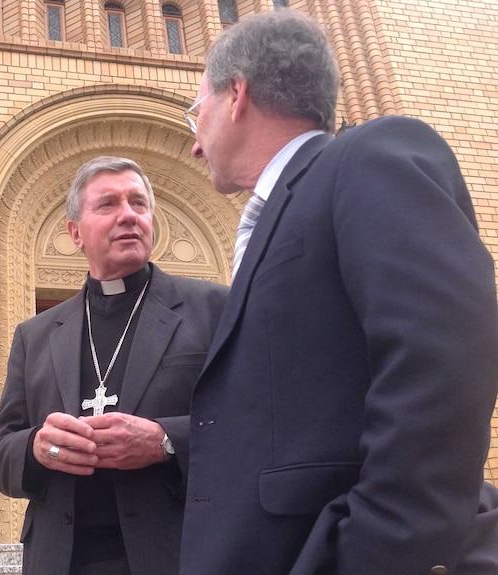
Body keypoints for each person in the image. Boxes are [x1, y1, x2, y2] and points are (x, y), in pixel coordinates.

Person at [180, 9, 498, 575]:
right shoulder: (274, 213)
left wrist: (374, 553)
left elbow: (443, 360)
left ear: (237, 94)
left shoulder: (369, 157)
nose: (194, 144)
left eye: (194, 109)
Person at [0, 156, 228, 575]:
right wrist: (36, 448)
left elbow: (256, 426)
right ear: (75, 233)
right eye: (108, 205)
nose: (129, 215)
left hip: (176, 553)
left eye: (138, 203)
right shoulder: (36, 334)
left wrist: (165, 441)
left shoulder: (212, 308)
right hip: (61, 560)